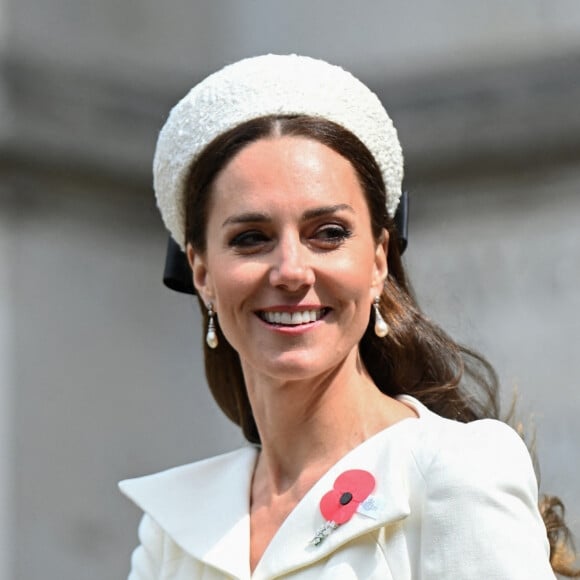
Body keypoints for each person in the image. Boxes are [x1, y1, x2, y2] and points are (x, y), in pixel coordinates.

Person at [119, 54, 578, 579]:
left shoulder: (452, 473)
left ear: (379, 259)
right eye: (252, 239)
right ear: (201, 272)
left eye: (328, 233)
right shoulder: (176, 530)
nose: (291, 270)